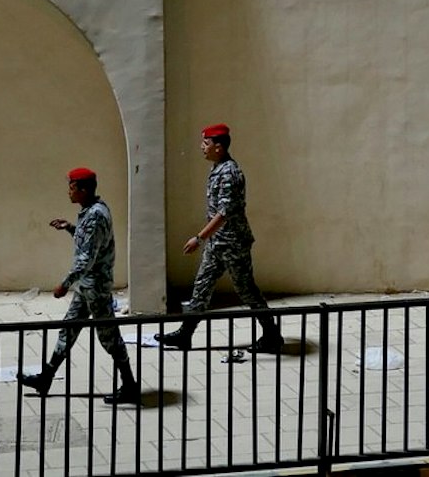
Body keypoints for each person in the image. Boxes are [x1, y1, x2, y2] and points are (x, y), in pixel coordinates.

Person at [151, 124, 282, 355]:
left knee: (247, 290)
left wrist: (198, 238)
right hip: (217, 243)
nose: (202, 147)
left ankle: (272, 334)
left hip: (232, 243)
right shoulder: (218, 169)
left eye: (206, 143)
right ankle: (185, 334)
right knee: (201, 288)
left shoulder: (229, 172)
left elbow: (224, 213)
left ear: (218, 147)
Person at [20, 167, 141, 404]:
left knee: (109, 336)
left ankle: (129, 385)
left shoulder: (95, 215)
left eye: (72, 187)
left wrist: (64, 284)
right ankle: (46, 377)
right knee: (69, 329)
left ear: (83, 190)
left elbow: (87, 257)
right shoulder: (93, 210)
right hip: (87, 287)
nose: (69, 192)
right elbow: (89, 241)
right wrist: (71, 228)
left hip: (95, 287)